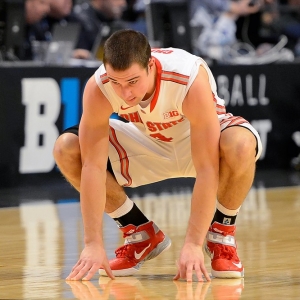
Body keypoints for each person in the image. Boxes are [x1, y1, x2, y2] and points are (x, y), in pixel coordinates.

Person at [53, 29, 262, 282]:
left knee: (241, 144)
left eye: (132, 81)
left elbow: (207, 169)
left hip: (198, 142)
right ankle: (139, 233)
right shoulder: (99, 87)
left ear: (150, 65)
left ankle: (220, 235)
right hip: (147, 141)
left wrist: (193, 244)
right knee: (67, 148)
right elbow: (93, 168)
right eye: (116, 82)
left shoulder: (186, 76)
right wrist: (92, 242)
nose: (125, 93)